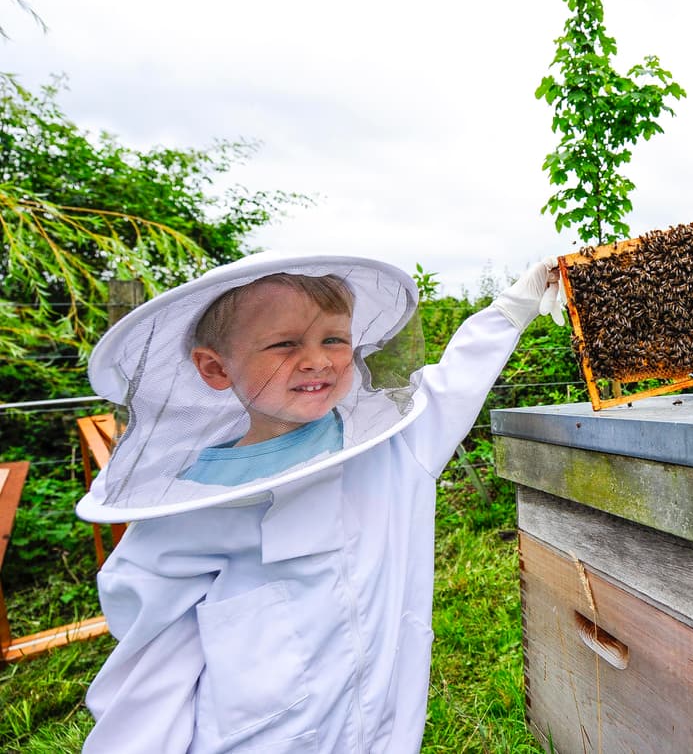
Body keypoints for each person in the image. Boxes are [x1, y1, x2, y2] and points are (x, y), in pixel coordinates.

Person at [76, 251, 561, 753]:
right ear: (216, 368)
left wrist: (510, 309)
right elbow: (149, 677)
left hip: (386, 732)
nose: (317, 359)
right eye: (284, 344)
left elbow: (453, 385)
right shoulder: (187, 507)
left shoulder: (392, 446)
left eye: (334, 338)